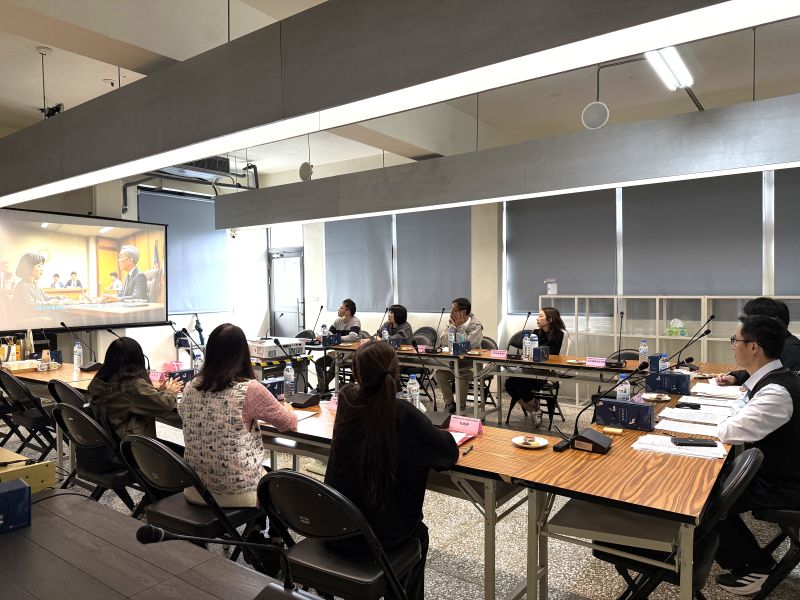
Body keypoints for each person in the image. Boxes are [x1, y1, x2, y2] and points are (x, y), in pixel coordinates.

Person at [325, 341, 458, 600]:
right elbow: (447, 454)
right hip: (383, 537)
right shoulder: (405, 413)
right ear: (395, 372)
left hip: (336, 526)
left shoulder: (347, 399)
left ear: (356, 373)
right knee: (420, 535)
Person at [714, 315, 800, 595]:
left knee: (703, 496)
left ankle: (752, 569)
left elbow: (730, 430)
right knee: (715, 482)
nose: (732, 346)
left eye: (735, 340)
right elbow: (737, 416)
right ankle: (753, 561)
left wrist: (724, 419)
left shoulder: (777, 391)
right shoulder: (772, 379)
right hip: (781, 474)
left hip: (787, 486)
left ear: (754, 347)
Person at [180, 323, 297, 507]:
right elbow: (288, 423)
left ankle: (255, 522)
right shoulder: (250, 389)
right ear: (243, 353)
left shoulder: (191, 386)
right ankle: (268, 526)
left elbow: (183, 413)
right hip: (237, 493)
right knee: (280, 481)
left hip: (195, 489)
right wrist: (289, 409)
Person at [88, 337, 184, 442]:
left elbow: (139, 400)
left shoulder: (99, 381)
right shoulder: (133, 386)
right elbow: (166, 404)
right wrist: (171, 391)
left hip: (112, 438)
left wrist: (159, 392)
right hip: (132, 444)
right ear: (138, 358)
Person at [505, 307, 567, 428]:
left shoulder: (560, 334)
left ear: (550, 319)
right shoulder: (535, 333)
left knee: (522, 387)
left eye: (540, 316)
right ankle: (535, 410)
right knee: (509, 384)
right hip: (530, 369)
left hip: (546, 372)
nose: (537, 319)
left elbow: (555, 355)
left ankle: (534, 408)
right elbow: (529, 351)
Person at [716, 297, 800, 386]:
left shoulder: (792, 350)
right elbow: (765, 372)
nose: (746, 324)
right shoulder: (773, 342)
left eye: (749, 319)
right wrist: (736, 378)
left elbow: (786, 382)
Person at [436, 297, 483, 413]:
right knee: (440, 373)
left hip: (472, 367)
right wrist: (453, 327)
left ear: (463, 312)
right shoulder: (451, 322)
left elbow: (468, 345)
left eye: (454, 310)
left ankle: (460, 407)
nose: (451, 312)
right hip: (455, 364)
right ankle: (450, 404)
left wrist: (459, 328)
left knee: (461, 375)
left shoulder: (476, 325)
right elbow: (443, 341)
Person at [315, 298, 362, 392]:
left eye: (341, 308)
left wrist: (337, 338)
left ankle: (322, 387)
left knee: (335, 361)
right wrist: (323, 335)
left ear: (348, 311)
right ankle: (323, 387)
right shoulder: (337, 321)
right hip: (338, 352)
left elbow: (353, 336)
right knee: (319, 363)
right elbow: (330, 333)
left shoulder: (355, 321)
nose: (338, 309)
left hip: (351, 353)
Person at [11, 252, 63, 321]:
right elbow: (32, 306)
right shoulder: (23, 286)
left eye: (42, 266)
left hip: (40, 316)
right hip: (32, 321)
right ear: (28, 268)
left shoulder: (34, 284)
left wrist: (58, 297)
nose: (42, 269)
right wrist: (49, 303)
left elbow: (45, 297)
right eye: (39, 266)